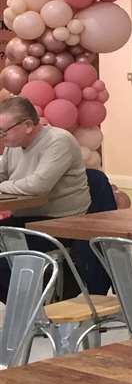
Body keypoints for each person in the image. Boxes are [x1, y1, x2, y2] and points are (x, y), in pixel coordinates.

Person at [0, 96, 105, 298]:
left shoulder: (58, 140)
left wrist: (3, 186)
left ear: (28, 125)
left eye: (4, 130)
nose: (2, 136)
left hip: (60, 223)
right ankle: (28, 304)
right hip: (26, 220)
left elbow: (39, 185)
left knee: (4, 259)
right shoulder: (14, 146)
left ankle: (32, 305)